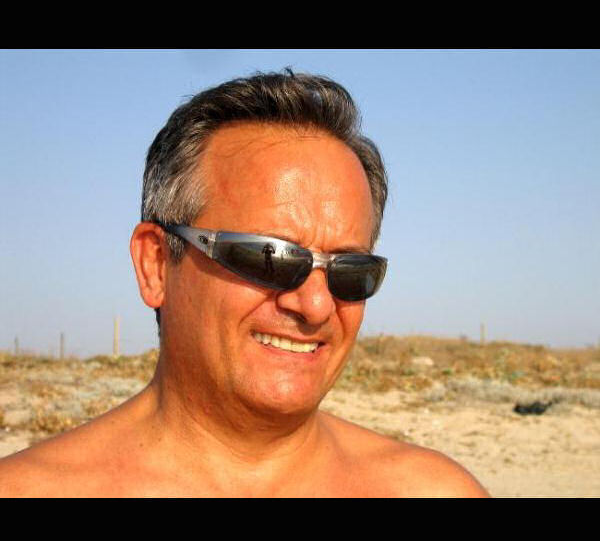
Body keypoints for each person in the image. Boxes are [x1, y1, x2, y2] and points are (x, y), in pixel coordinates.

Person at [0, 70, 489, 497]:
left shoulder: (433, 491)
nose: (316, 305)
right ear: (156, 264)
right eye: (268, 257)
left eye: (350, 271)